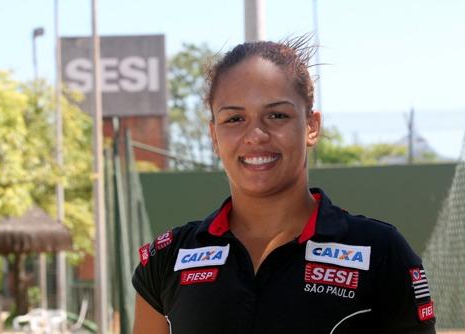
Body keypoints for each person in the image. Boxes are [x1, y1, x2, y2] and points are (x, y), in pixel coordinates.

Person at [132, 37, 437, 334]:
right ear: (214, 136)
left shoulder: (381, 252)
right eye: (235, 119)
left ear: (311, 126)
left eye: (277, 115)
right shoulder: (167, 259)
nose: (256, 135)